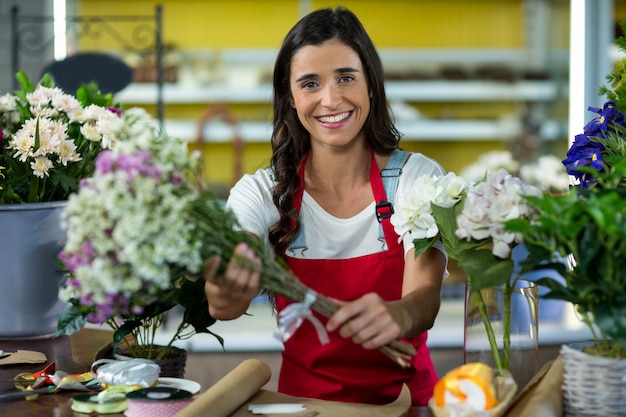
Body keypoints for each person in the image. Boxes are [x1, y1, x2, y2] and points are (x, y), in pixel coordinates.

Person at [204, 6, 447, 406]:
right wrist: (229, 279)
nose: (330, 99)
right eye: (310, 84)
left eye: (346, 78)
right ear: (291, 99)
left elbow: (425, 299)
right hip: (308, 409)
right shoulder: (261, 193)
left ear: (371, 84)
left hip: (408, 403)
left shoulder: (416, 178)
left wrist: (400, 314)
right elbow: (224, 306)